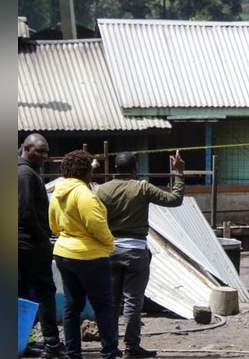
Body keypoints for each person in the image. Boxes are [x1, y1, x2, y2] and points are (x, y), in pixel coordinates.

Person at [95, 151, 186, 358]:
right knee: (133, 302)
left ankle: (109, 347)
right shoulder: (142, 187)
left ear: (116, 169)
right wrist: (178, 174)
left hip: (110, 251)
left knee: (111, 303)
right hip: (136, 252)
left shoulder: (101, 191)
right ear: (135, 169)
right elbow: (174, 200)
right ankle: (131, 347)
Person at [49, 150, 121, 359]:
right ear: (86, 171)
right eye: (91, 169)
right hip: (89, 257)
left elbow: (53, 225)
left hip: (64, 254)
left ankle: (72, 353)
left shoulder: (57, 193)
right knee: (103, 306)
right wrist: (109, 245)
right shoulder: (85, 195)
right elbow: (97, 226)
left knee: (72, 306)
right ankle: (109, 352)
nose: (93, 174)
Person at [18, 133, 62, 358]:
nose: (45, 156)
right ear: (26, 148)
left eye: (46, 151)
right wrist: (43, 236)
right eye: (40, 151)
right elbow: (25, 211)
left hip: (23, 242)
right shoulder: (25, 173)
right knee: (45, 292)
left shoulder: (25, 170)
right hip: (30, 243)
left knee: (23, 293)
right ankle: (52, 344)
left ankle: (21, 342)